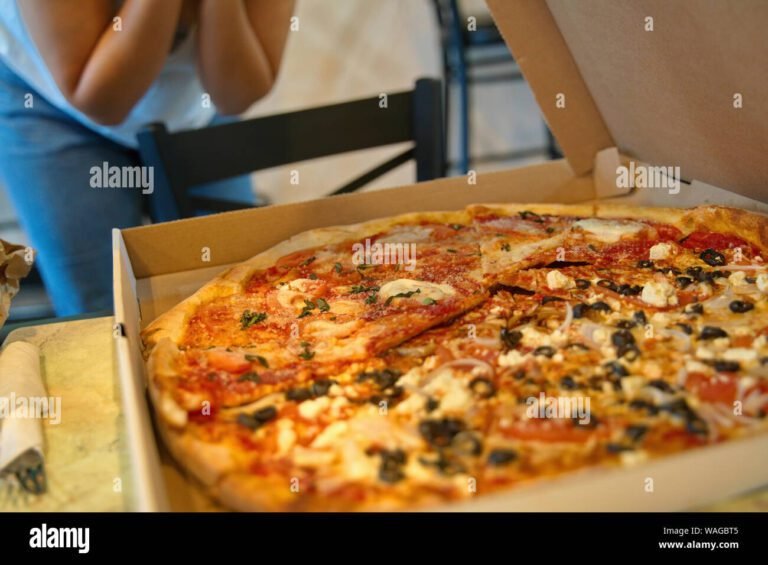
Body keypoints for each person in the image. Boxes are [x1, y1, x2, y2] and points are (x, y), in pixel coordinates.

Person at [0, 0, 294, 315]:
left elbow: (236, 96)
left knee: (235, 293)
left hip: (195, 106)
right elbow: (106, 102)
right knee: (102, 308)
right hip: (51, 105)